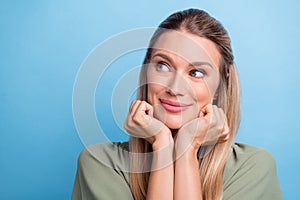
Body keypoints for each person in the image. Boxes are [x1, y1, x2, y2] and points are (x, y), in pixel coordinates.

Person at [72, 8, 282, 200]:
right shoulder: (100, 163)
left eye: (196, 73)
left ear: (220, 84)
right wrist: (162, 144)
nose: (175, 88)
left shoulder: (253, 168)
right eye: (163, 66)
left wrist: (187, 147)